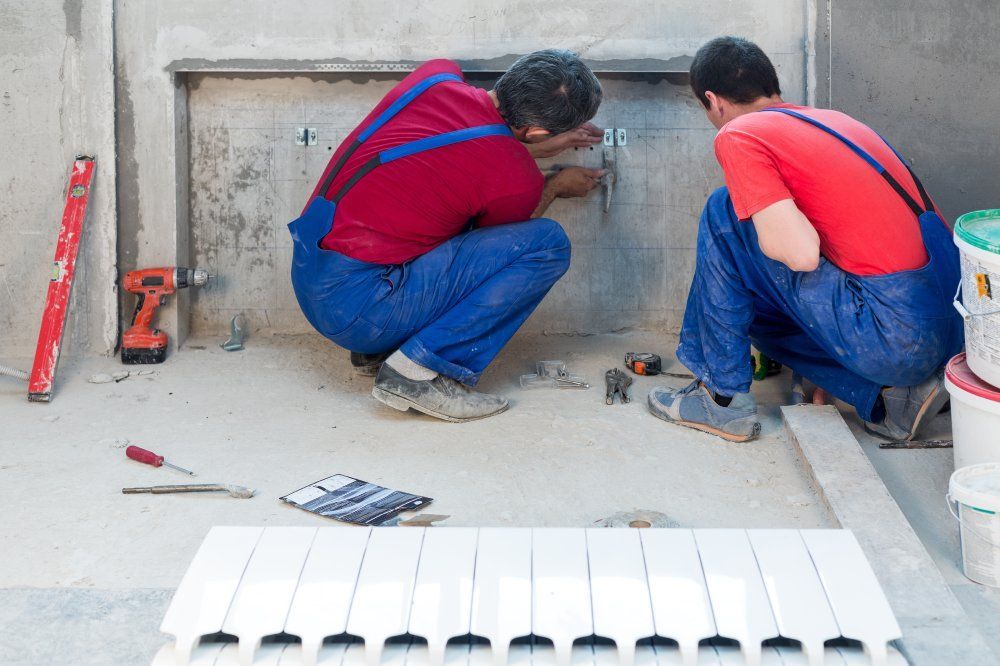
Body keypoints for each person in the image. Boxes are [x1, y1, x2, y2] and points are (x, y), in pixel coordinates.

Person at [647, 36, 963, 442]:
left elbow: (799, 256)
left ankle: (720, 399)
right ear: (771, 86)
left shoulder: (741, 133)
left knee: (723, 210)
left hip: (893, 338)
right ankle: (889, 398)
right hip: (953, 336)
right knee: (755, 313)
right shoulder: (836, 122)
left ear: (714, 100)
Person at [288, 50, 605, 422]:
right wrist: (552, 186)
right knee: (547, 244)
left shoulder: (436, 76)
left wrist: (526, 145)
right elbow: (504, 242)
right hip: (363, 313)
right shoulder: (514, 177)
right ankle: (419, 373)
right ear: (536, 133)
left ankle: (383, 350)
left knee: (438, 212)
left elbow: (466, 145)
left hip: (312, 274)